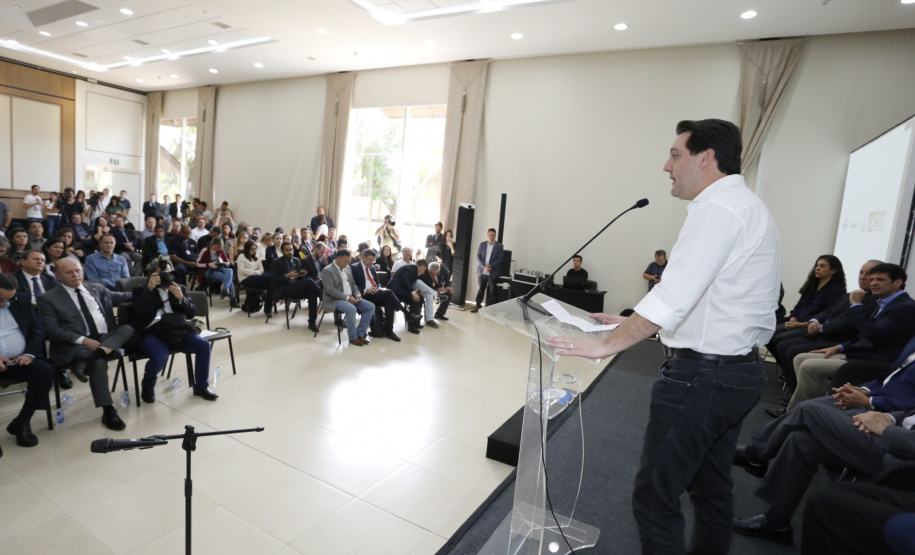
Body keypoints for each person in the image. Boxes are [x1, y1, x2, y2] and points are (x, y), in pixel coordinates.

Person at [547, 119, 782, 555]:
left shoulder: (719, 210)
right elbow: (710, 300)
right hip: (736, 372)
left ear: (706, 157)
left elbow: (673, 294)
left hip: (703, 377)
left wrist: (606, 346)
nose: (666, 166)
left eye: (675, 155)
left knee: (656, 495)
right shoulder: (744, 206)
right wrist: (626, 322)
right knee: (709, 488)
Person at [733, 402, 915, 546]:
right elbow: (910, 413)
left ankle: (755, 455)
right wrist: (886, 417)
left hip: (901, 461)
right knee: (802, 439)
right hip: (892, 434)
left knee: (809, 410)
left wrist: (886, 429)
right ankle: (777, 521)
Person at [787, 262, 915, 409]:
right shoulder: (884, 302)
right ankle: (814, 405)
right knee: (800, 358)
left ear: (898, 283)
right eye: (872, 279)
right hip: (861, 352)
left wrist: (855, 304)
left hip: (877, 359)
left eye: (880, 279)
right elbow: (864, 334)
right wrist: (839, 347)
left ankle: (797, 411)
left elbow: (871, 333)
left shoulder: (904, 307)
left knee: (809, 366)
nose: (873, 283)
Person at [37, 258, 134, 431]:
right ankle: (108, 410)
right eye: (69, 272)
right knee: (98, 363)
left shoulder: (97, 288)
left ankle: (90, 359)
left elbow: (122, 297)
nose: (75, 275)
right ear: (58, 275)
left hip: (105, 340)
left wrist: (147, 289)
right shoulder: (48, 299)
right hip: (75, 346)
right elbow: (52, 331)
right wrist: (84, 340)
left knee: (127, 328)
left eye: (78, 271)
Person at [131, 260, 217, 402]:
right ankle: (147, 385)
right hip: (153, 332)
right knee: (160, 357)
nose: (167, 277)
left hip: (178, 330)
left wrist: (181, 298)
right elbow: (140, 313)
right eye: (162, 274)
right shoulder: (141, 289)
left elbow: (191, 314)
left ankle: (201, 386)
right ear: (152, 275)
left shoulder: (179, 288)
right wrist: (149, 289)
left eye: (169, 273)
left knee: (204, 346)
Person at [0, 273, 55, 457]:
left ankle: (22, 421)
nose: (5, 304)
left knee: (45, 371)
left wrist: (29, 354)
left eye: (8, 299)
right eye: (0, 299)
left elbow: (37, 330)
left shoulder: (20, 299)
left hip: (20, 360)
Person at [321, 249, 375, 346]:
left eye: (348, 261)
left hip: (350, 297)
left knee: (370, 306)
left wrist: (358, 294)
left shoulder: (347, 268)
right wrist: (347, 298)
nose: (347, 263)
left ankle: (360, 333)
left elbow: (353, 284)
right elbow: (330, 290)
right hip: (334, 299)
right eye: (345, 261)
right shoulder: (327, 270)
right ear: (338, 258)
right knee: (351, 309)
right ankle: (352, 337)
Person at [351, 249, 404, 341]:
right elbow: (352, 285)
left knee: (389, 303)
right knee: (389, 292)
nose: (371, 262)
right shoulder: (354, 267)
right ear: (363, 257)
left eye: (373, 260)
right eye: (370, 260)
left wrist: (378, 287)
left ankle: (390, 331)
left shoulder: (371, 268)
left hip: (374, 293)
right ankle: (405, 313)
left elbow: (377, 282)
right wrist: (365, 290)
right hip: (363, 295)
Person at [270, 242, 320, 331]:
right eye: (287, 250)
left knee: (312, 294)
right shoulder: (276, 262)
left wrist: (301, 275)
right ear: (282, 251)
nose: (290, 252)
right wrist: (287, 276)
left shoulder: (296, 260)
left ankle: (312, 322)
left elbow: (297, 275)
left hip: (296, 286)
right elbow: (273, 279)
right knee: (309, 281)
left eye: (291, 249)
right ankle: (322, 294)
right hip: (285, 288)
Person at [388, 259, 430, 335]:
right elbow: (405, 280)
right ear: (421, 267)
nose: (423, 272)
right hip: (395, 290)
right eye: (424, 270)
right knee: (416, 299)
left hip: (401, 289)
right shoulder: (413, 267)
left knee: (420, 298)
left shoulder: (412, 268)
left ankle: (415, 322)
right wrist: (413, 292)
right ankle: (412, 325)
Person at [196, 237, 238, 308]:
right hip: (207, 270)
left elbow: (228, 262)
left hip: (218, 268)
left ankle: (226, 289)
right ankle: (232, 299)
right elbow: (197, 264)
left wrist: (222, 263)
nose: (217, 249)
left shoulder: (220, 250)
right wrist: (208, 264)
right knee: (229, 279)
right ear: (212, 244)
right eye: (215, 247)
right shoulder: (205, 250)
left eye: (218, 248)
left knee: (230, 271)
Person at [470, 228, 504, 313]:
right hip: (482, 271)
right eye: (489, 235)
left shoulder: (499, 246)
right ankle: (477, 306)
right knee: (481, 289)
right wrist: (484, 266)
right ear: (487, 235)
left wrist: (490, 266)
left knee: (492, 291)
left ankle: (491, 309)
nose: (491, 237)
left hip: (493, 271)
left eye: (493, 235)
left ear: (495, 236)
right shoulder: (482, 245)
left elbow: (499, 259)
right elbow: (478, 256)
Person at [237, 240, 274, 318]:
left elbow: (262, 269)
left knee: (270, 286)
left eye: (255, 249)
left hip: (255, 277)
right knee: (271, 277)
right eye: (252, 249)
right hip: (245, 279)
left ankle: (268, 310)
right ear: (247, 249)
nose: (254, 251)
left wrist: (254, 272)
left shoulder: (257, 258)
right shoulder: (241, 256)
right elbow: (241, 270)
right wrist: (255, 272)